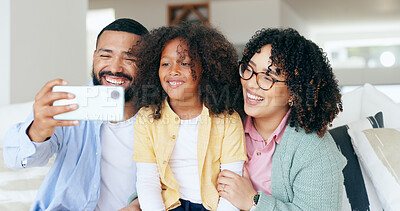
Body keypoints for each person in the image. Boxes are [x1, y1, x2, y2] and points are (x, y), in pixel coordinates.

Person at [3, 18, 148, 211]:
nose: (115, 68)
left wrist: (140, 204)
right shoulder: (69, 103)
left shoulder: (164, 117)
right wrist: (37, 131)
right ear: (95, 56)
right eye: (105, 56)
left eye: (130, 59)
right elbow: (15, 158)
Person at [217, 28, 347, 210]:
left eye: (268, 77)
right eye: (249, 69)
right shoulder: (223, 123)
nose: (251, 83)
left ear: (294, 92)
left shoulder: (315, 150)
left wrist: (253, 201)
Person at [131, 22, 247, 211]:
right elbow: (147, 181)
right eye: (165, 63)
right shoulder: (147, 118)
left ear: (206, 69)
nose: (173, 70)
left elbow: (231, 185)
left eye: (185, 63)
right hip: (168, 206)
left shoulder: (227, 119)